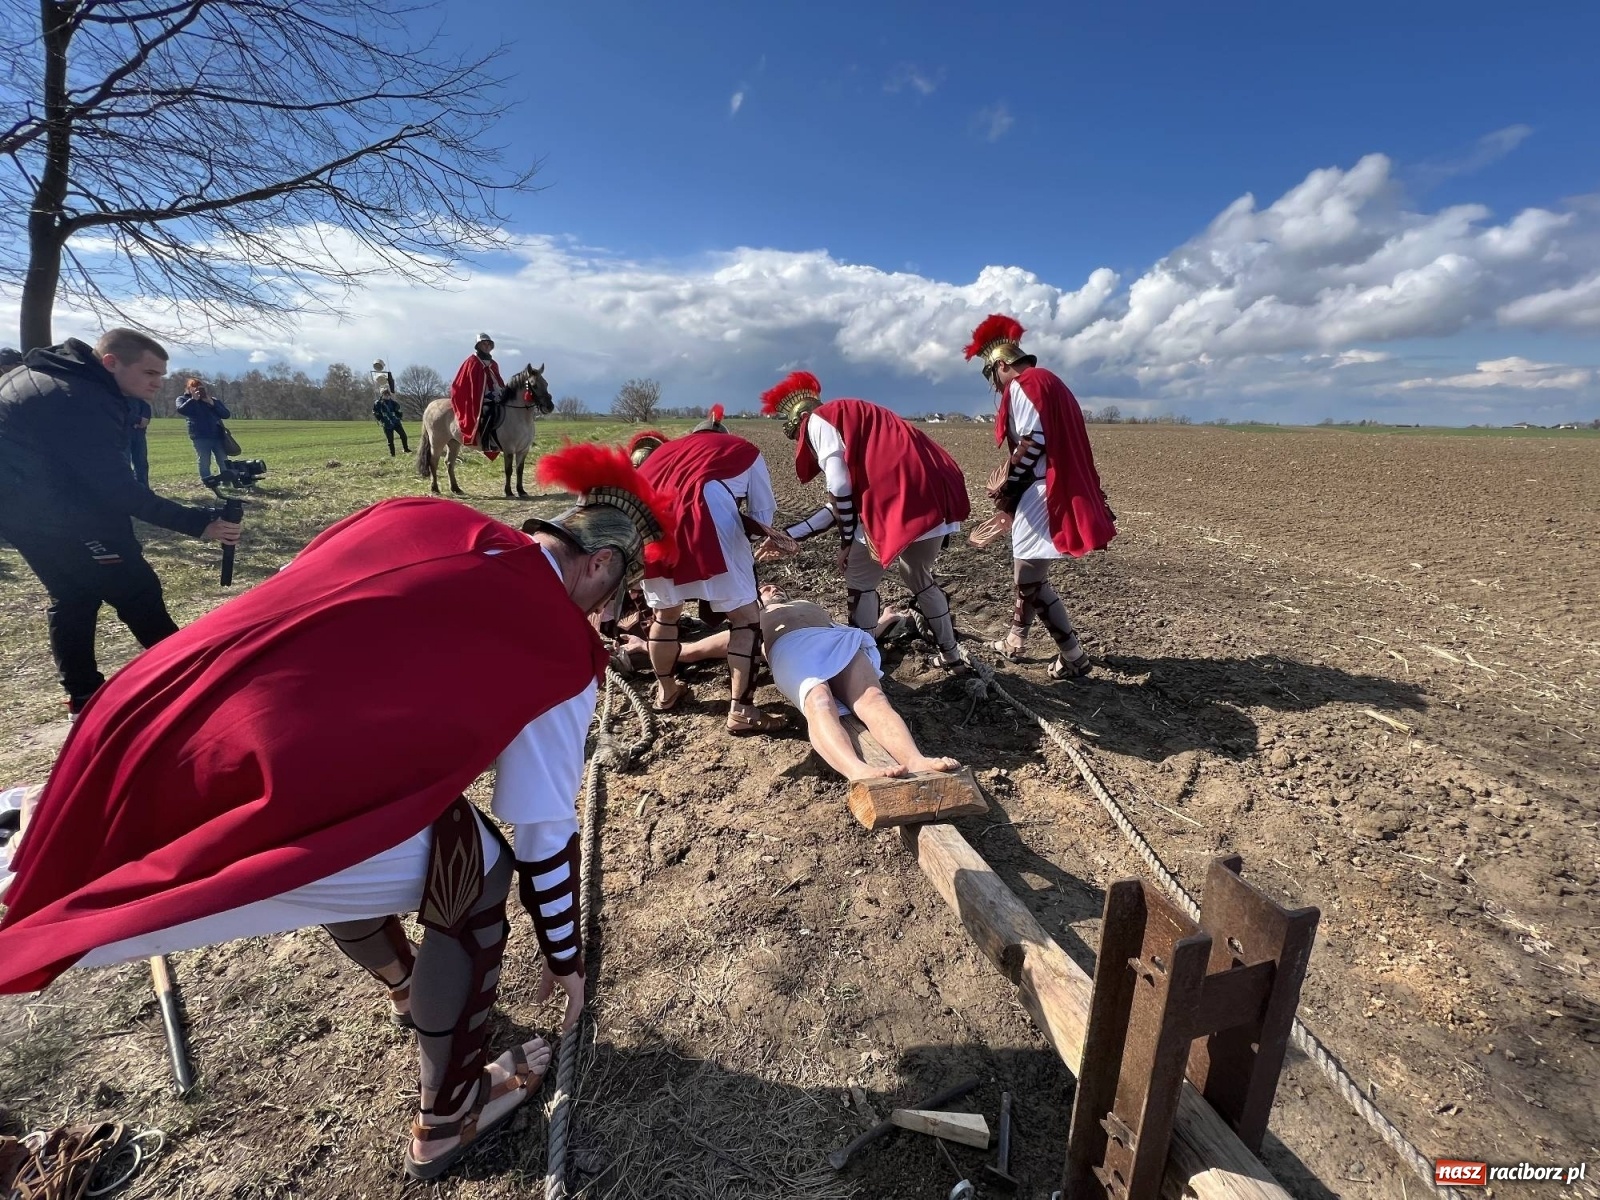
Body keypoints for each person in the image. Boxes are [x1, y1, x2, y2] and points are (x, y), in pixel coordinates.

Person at [0, 443, 678, 1182]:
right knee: (474, 865)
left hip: (144, 712)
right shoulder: (558, 644)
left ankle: (405, 986)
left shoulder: (418, 513)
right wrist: (566, 958)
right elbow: (543, 831)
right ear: (602, 565)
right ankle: (451, 1113)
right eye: (616, 594)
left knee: (377, 806)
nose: (609, 614)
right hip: (258, 786)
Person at [0, 330, 241, 715]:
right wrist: (199, 523)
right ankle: (193, 683)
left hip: (21, 515)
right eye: (149, 373)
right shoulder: (81, 398)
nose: (157, 383)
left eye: (161, 375)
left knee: (74, 597)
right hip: (59, 514)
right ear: (110, 363)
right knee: (137, 591)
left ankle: (82, 698)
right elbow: (117, 490)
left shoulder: (45, 374)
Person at [759, 371, 971, 671]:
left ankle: (865, 666)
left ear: (801, 420)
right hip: (933, 493)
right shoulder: (861, 420)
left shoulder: (819, 420)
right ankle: (952, 656)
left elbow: (839, 488)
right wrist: (789, 535)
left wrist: (847, 542)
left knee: (859, 581)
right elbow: (840, 504)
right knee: (919, 577)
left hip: (896, 500)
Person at [964, 314, 1116, 680]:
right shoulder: (1050, 381)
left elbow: (1034, 443)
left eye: (993, 376)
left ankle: (1073, 656)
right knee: (1030, 572)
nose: (997, 386)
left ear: (1001, 365)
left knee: (1028, 577)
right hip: (1051, 484)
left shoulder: (1024, 385)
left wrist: (1006, 488)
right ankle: (1017, 639)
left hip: (1044, 489)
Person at [634, 406, 790, 733]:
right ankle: (742, 711)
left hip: (655, 527)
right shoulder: (743, 450)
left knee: (665, 614)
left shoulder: (663, 453)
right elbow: (762, 509)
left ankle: (666, 691)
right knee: (745, 618)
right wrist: (754, 541)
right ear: (722, 436)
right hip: (711, 519)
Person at [758, 584, 960, 780]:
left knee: (873, 697)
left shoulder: (804, 603)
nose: (774, 589)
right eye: (765, 589)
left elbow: (849, 628)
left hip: (834, 639)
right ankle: (856, 770)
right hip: (790, 648)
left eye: (778, 587)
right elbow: (734, 648)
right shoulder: (750, 619)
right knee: (820, 702)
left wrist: (885, 621)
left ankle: (916, 760)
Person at [449, 333, 505, 459]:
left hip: (494, 395)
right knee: (488, 412)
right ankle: (487, 442)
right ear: (478, 345)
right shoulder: (472, 362)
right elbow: (465, 383)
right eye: (484, 344)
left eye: (488, 344)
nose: (486, 346)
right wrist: (485, 394)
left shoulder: (493, 363)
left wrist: (501, 391)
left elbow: (497, 380)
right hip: (477, 398)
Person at [175, 376, 231, 482]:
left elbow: (226, 414)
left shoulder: (212, 400)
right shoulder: (183, 399)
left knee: (223, 460)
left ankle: (227, 481)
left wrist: (212, 403)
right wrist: (193, 400)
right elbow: (181, 410)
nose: (198, 390)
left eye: (201, 388)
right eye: (195, 388)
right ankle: (208, 482)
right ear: (188, 389)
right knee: (204, 460)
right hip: (200, 436)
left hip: (217, 435)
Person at [371, 359, 410, 456]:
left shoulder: (393, 402)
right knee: (390, 440)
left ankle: (406, 449)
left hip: (396, 422)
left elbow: (398, 410)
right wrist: (380, 419)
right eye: (385, 394)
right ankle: (393, 454)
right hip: (386, 423)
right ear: (382, 394)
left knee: (403, 436)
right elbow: (375, 412)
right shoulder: (378, 403)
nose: (387, 395)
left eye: (388, 394)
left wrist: (399, 416)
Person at [127, 392, 152, 485]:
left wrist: (144, 419)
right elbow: (122, 413)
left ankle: (143, 489)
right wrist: (138, 420)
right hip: (123, 436)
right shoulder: (117, 399)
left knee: (141, 464)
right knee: (125, 464)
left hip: (139, 435)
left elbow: (146, 410)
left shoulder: (140, 401)